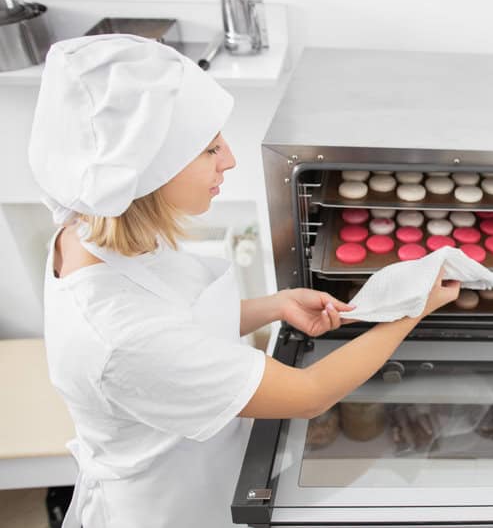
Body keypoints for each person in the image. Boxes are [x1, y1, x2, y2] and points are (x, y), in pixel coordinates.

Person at [28, 34, 460, 528]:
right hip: (177, 505)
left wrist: (273, 306)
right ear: (145, 174)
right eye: (209, 149)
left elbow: (175, 322)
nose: (229, 159)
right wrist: (414, 309)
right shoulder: (121, 336)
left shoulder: (95, 228)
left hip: (207, 455)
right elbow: (309, 393)